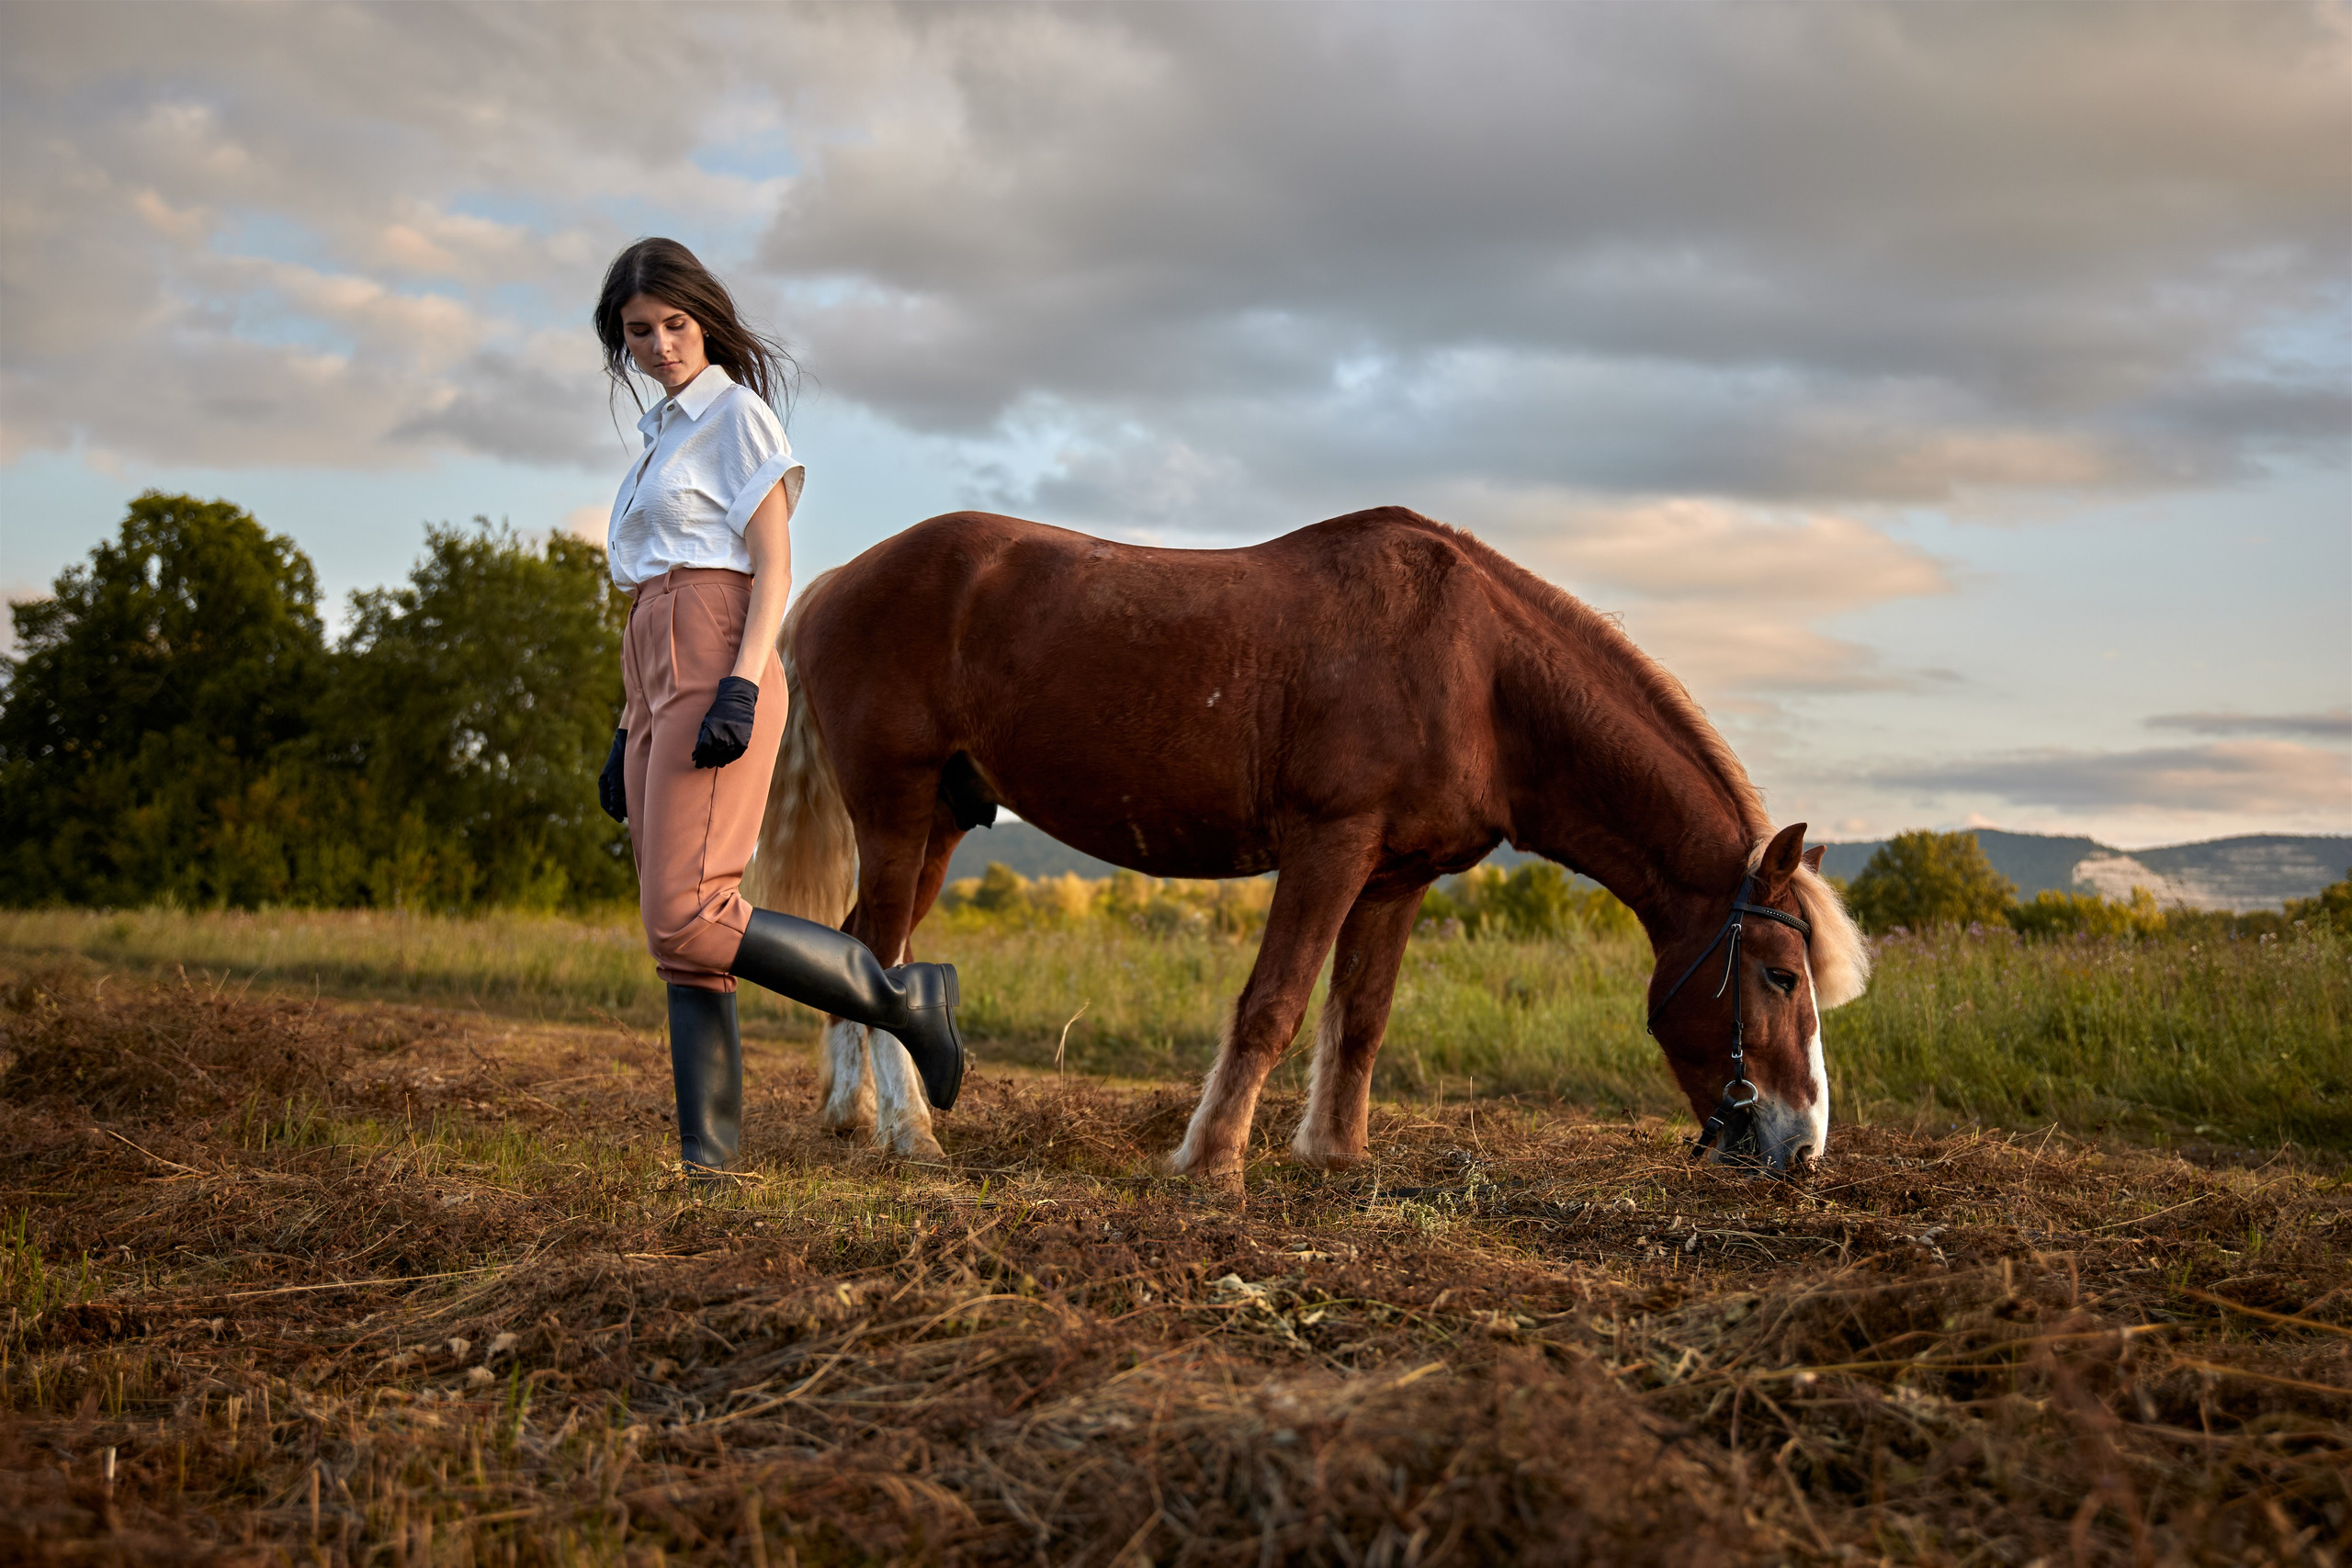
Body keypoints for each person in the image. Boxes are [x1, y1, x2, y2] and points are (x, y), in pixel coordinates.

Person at [591, 237, 963, 1181]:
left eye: (675, 324)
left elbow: (773, 563)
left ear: (705, 319)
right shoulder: (659, 437)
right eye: (639, 331)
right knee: (677, 940)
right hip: (651, 658)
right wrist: (625, 726)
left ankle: (899, 1002)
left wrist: (744, 681)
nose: (661, 345)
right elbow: (649, 585)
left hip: (718, 645)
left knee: (691, 911)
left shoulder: (736, 417)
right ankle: (708, 1165)